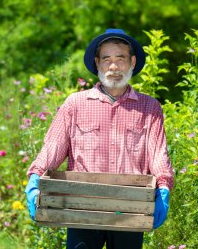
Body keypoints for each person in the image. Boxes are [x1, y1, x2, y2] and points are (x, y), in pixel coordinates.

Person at [25, 28, 174, 249]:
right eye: (107, 59)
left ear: (132, 62)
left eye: (120, 59)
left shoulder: (149, 108)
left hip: (130, 208)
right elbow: (53, 147)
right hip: (82, 206)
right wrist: (35, 178)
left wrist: (164, 188)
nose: (114, 67)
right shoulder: (75, 104)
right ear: (97, 63)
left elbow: (158, 154)